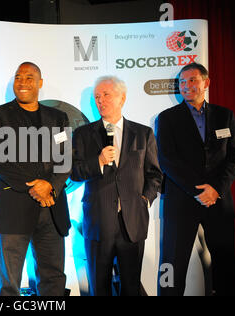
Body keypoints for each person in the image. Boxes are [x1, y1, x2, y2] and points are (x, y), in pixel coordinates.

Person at [0, 62, 71, 296]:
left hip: (52, 208)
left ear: (40, 83)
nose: (23, 82)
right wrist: (35, 187)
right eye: (18, 77)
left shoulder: (58, 117)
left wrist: (50, 186)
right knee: (8, 282)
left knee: (53, 276)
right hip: (14, 208)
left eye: (29, 77)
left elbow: (66, 159)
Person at [71, 76, 162, 296]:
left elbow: (155, 175)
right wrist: (98, 162)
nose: (100, 100)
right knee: (99, 287)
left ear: (122, 97)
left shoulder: (143, 133)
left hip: (132, 223)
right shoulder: (84, 134)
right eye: (97, 97)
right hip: (98, 222)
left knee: (131, 286)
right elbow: (74, 172)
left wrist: (145, 200)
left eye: (106, 95)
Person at [156, 63, 235, 296]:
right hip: (181, 202)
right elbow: (167, 160)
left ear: (206, 82)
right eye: (182, 82)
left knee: (225, 262)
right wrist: (199, 191)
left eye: (192, 80)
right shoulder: (166, 118)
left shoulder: (225, 115)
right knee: (172, 263)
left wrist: (216, 189)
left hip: (218, 202)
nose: (187, 86)